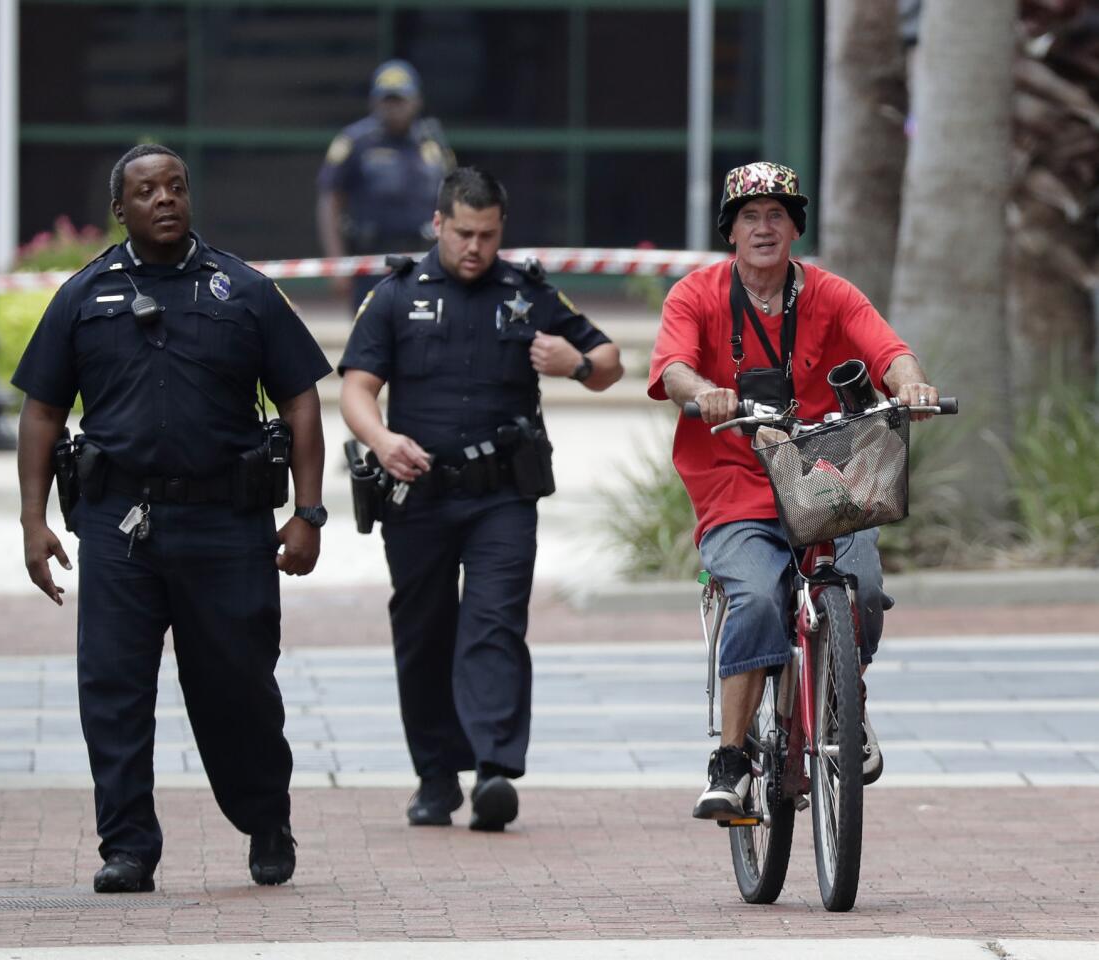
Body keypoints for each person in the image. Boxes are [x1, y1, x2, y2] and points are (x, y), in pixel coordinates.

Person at [13, 144, 332, 890]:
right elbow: (41, 412)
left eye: (177, 187)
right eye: (147, 190)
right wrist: (33, 521)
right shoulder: (84, 296)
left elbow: (301, 397)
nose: (165, 199)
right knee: (113, 687)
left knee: (238, 686)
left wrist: (309, 512)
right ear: (120, 209)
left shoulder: (243, 290)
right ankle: (127, 848)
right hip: (118, 522)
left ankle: (265, 819)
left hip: (227, 523)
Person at [647, 161, 939, 819]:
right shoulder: (696, 295)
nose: (764, 227)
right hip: (734, 482)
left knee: (860, 592)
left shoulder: (831, 293)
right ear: (731, 229)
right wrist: (705, 392)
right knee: (754, 594)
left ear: (795, 227)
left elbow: (889, 349)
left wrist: (911, 383)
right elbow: (671, 369)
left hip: (824, 478)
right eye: (750, 216)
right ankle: (730, 760)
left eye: (777, 214)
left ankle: (843, 704)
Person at [338, 167, 623, 831]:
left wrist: (574, 365)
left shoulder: (527, 294)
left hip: (502, 496)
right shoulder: (395, 296)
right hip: (419, 495)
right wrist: (381, 441)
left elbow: (609, 361)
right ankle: (436, 777)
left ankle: (494, 770)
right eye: (464, 233)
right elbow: (356, 388)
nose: (475, 247)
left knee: (494, 625)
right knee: (424, 632)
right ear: (437, 224)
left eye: (488, 235)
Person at [316, 59, 455, 313]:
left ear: (417, 101)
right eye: (387, 100)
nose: (393, 107)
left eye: (400, 100)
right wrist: (337, 262)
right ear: (374, 101)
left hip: (421, 260)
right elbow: (330, 201)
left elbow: (450, 203)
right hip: (371, 262)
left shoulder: (432, 144)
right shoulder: (356, 143)